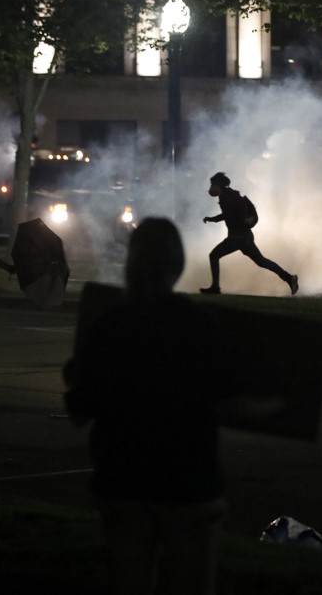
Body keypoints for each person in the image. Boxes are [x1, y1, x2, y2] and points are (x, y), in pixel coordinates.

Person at [65, 218, 281, 595]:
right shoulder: (199, 324)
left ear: (131, 263)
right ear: (177, 265)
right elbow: (228, 405)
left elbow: (81, 411)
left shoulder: (110, 325)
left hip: (123, 483)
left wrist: (77, 375)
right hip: (188, 485)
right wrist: (288, 402)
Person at [200, 172, 298, 296]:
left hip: (238, 237)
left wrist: (244, 219)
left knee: (214, 255)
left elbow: (236, 211)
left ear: (218, 184)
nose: (210, 187)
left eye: (212, 184)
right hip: (244, 237)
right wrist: (212, 219)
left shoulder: (229, 196)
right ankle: (289, 278)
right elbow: (228, 214)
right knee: (261, 262)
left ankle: (215, 287)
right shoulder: (226, 196)